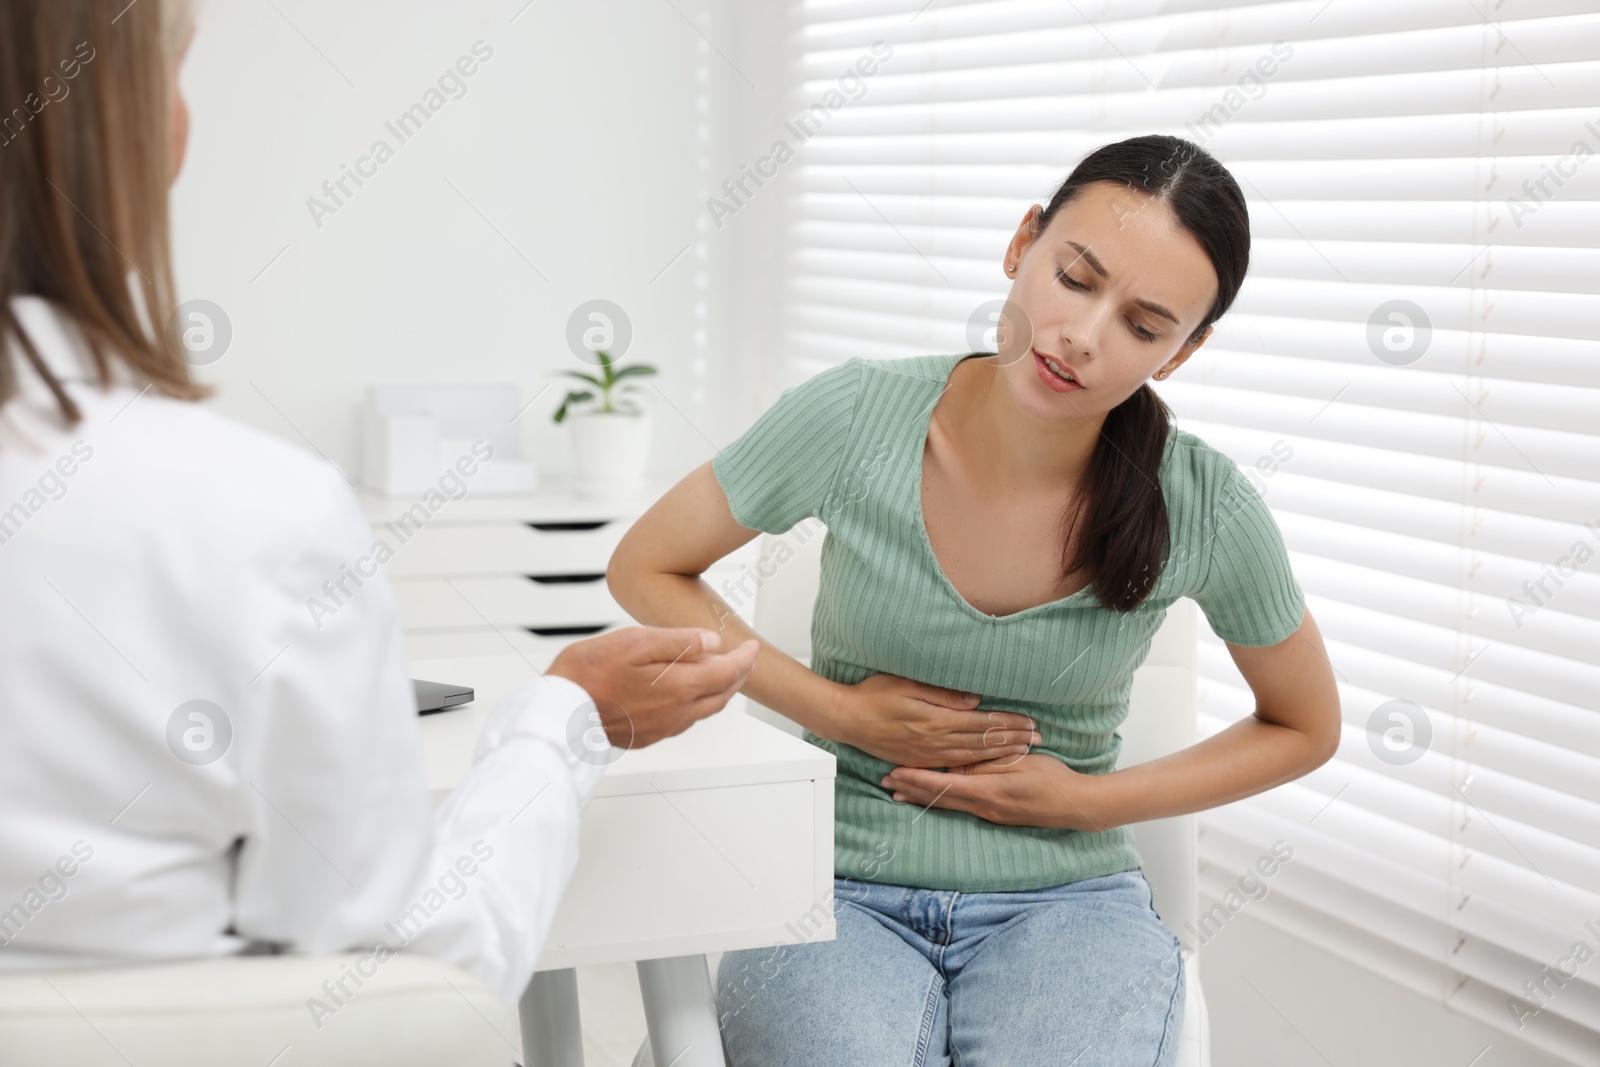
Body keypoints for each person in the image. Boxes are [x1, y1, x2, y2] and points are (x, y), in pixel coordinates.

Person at [0, 0, 758, 1007]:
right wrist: (560, 717)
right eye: (172, 74)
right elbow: (417, 969)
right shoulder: (250, 514)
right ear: (119, 126)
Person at [606, 134, 1343, 1064]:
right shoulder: (854, 415)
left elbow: (1304, 724)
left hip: (1069, 904)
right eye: (1076, 277)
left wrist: (1088, 802)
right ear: (1022, 244)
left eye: (1144, 325)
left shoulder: (1203, 502)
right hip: (835, 884)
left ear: (1182, 354)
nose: (1083, 334)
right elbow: (648, 566)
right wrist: (842, 713)